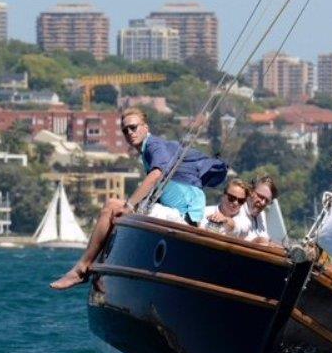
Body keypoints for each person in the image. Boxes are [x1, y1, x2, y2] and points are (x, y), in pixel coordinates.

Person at [50, 108, 226, 290]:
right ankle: (100, 272)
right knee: (117, 215)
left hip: (184, 216)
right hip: (178, 212)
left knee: (112, 206)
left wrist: (130, 205)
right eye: (125, 130)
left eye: (133, 127)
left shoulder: (153, 145)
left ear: (145, 127)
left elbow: (157, 174)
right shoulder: (148, 151)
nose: (129, 133)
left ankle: (81, 270)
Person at [243, 175, 278, 244]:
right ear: (251, 191)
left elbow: (266, 239)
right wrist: (259, 240)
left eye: (267, 201)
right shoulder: (236, 208)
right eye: (261, 197)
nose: (263, 203)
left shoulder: (262, 215)